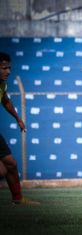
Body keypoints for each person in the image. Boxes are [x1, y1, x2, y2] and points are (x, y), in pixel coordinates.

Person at [0, 52, 39, 205]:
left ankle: (18, 198)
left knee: (11, 164)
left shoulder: (2, 85)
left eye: (9, 68)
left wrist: (18, 119)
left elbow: (5, 101)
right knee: (2, 170)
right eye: (4, 68)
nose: (8, 71)